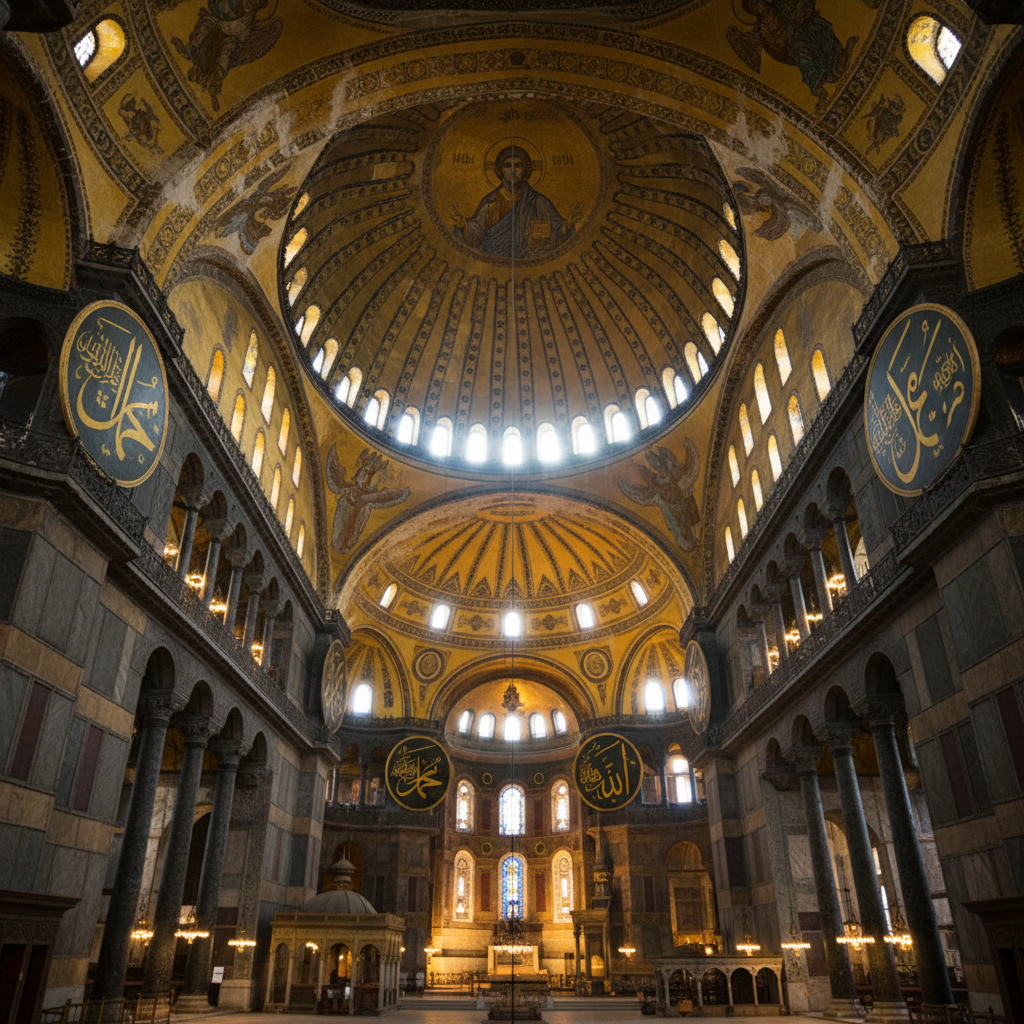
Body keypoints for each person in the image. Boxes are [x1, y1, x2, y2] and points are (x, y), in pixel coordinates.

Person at [455, 145, 577, 259]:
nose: (512, 171)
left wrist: (567, 225)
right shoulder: (491, 202)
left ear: (526, 169)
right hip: (493, 265)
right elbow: (476, 233)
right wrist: (463, 225)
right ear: (500, 169)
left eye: (518, 165)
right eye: (507, 166)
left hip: (529, 266)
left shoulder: (538, 202)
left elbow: (556, 231)